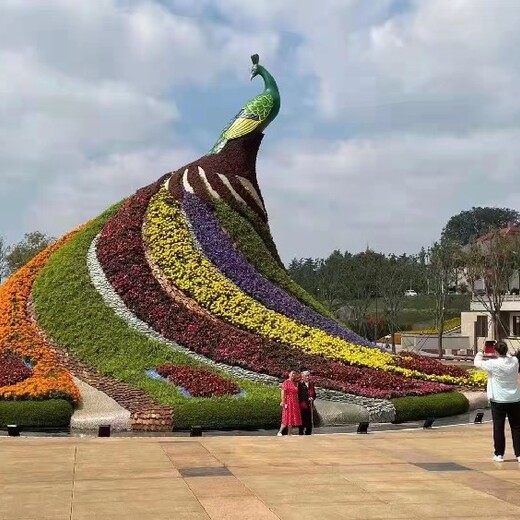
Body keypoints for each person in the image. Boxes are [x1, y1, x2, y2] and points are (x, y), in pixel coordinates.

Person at [474, 341, 520, 462]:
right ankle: (519, 454)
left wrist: (480, 352)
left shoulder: (493, 364)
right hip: (514, 399)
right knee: (516, 427)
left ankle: (499, 454)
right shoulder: (515, 361)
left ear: (495, 351)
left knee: (498, 427)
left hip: (498, 400)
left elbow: (477, 363)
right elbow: (510, 356)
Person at [277, 370, 302, 436]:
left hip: (294, 402)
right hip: (288, 401)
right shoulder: (286, 382)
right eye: (292, 374)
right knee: (286, 416)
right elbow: (283, 392)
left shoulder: (295, 383)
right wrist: (283, 401)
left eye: (294, 374)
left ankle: (289, 433)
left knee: (292, 418)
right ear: (289, 374)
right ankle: (280, 431)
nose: (293, 375)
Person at [298, 369, 316, 435]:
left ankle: (308, 434)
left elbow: (314, 394)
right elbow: (300, 395)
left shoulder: (311, 384)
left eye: (308, 376)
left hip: (310, 405)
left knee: (309, 421)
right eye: (306, 376)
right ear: (302, 377)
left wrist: (312, 398)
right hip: (303, 405)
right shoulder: (300, 384)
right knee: (302, 420)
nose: (307, 377)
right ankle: (301, 433)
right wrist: (307, 398)